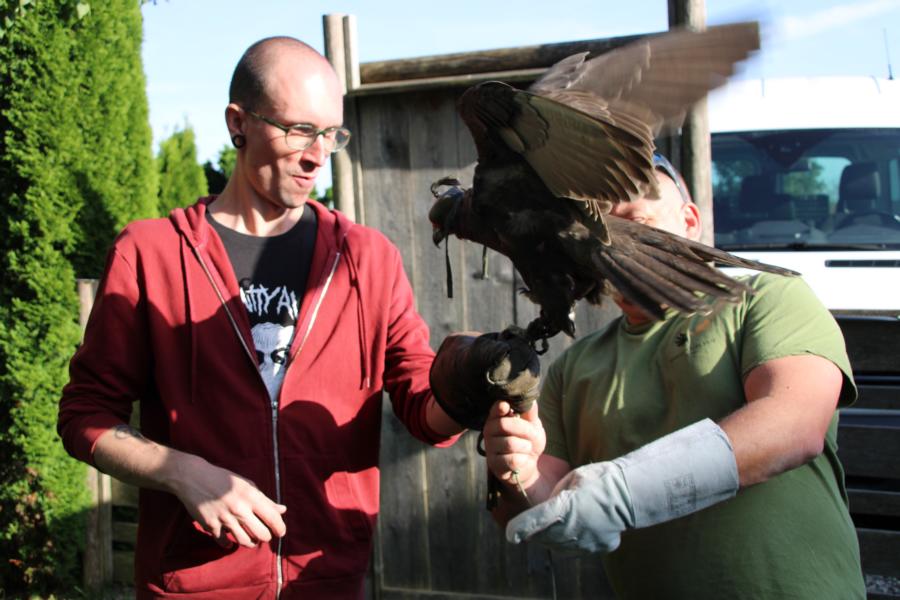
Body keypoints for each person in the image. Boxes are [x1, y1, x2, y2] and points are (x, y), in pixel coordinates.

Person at [57, 36, 536, 599]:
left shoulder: (367, 258)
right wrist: (182, 472)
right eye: (299, 130)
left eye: (332, 133)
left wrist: (467, 386)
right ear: (238, 123)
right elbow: (85, 417)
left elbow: (421, 409)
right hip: (192, 585)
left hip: (326, 581)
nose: (318, 154)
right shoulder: (152, 254)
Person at [482, 154, 866, 599]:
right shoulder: (575, 365)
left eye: (633, 222)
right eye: (594, 233)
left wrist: (623, 491)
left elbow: (794, 425)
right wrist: (518, 472)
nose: (610, 245)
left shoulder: (765, 298)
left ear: (690, 221)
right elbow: (536, 510)